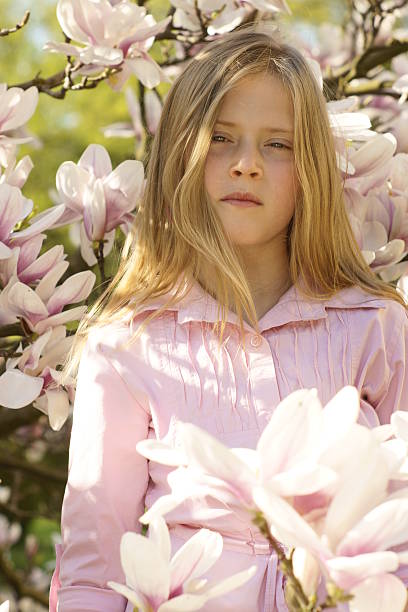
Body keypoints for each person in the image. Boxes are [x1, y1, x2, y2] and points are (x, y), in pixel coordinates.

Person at [49, 24, 408, 612]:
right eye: (221, 138)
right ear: (180, 156)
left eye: (278, 144)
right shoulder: (125, 346)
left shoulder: (375, 327)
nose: (246, 165)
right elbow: (93, 564)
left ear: (310, 170)